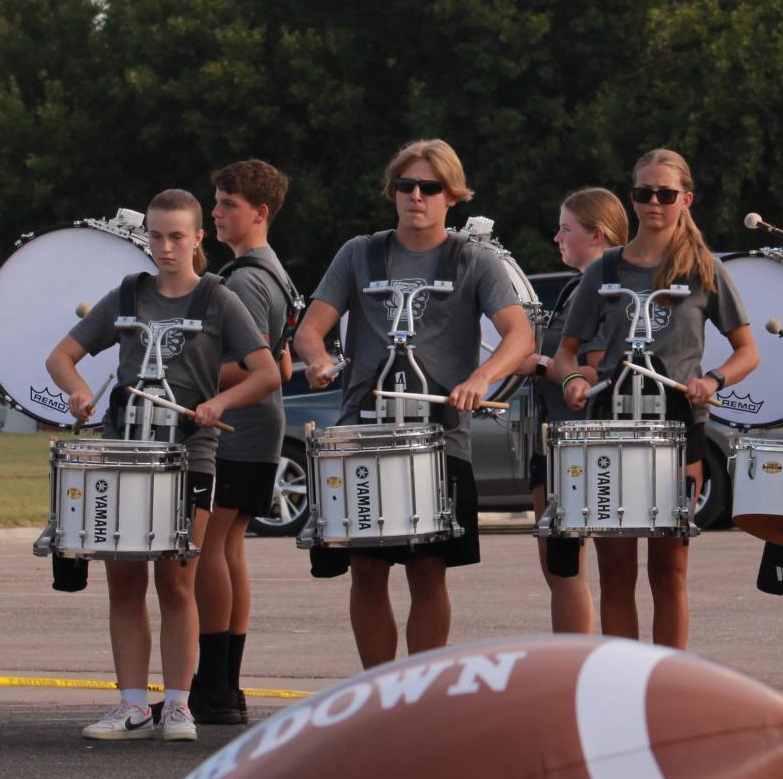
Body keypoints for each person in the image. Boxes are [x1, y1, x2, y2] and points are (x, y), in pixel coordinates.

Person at [45, 189, 282, 744]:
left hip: (187, 456)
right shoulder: (127, 295)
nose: (165, 247)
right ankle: (131, 705)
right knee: (123, 584)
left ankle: (178, 704)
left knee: (177, 583)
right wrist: (79, 392)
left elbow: (268, 372)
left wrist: (220, 403)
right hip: (124, 454)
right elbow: (61, 357)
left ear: (199, 238)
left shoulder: (219, 299)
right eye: (155, 236)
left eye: (177, 236)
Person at [293, 140, 536, 668]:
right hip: (364, 435)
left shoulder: (474, 260)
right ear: (393, 192)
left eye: (429, 187)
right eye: (406, 186)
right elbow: (311, 329)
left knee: (427, 570)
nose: (416, 196)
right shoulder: (359, 253)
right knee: (366, 568)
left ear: (453, 195)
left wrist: (483, 378)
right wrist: (315, 358)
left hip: (440, 437)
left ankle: (421, 692)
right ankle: (378, 690)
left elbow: (519, 339)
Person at [555, 149, 759, 649]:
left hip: (678, 427)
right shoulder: (604, 270)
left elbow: (747, 350)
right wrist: (572, 383)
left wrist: (712, 381)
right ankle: (623, 683)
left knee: (669, 572)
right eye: (643, 193)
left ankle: (668, 685)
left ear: (685, 200)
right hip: (611, 425)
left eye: (665, 194)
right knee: (617, 572)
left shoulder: (703, 267)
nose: (654, 203)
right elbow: (566, 352)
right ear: (632, 197)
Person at [191, 160, 300, 726]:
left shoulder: (245, 279)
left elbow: (257, 366)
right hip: (263, 427)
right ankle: (225, 687)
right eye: (216, 202)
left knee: (211, 550)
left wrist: (188, 377)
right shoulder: (272, 271)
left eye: (227, 204)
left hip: (239, 428)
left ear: (259, 213)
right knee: (231, 549)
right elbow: (282, 358)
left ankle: (212, 684)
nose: (216, 212)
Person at [529, 188, 630, 634]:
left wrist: (537, 363)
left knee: (564, 568)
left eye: (566, 229)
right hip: (559, 439)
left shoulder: (605, 290)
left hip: (578, 443)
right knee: (560, 568)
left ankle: (577, 674)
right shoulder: (581, 285)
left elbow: (594, 374)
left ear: (598, 235)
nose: (557, 238)